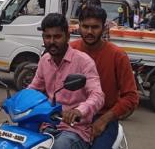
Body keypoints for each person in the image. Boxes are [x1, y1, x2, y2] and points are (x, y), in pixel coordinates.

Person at [29, 13, 104, 149]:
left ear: (67, 37)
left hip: (74, 130)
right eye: (48, 37)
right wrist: (15, 101)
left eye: (57, 36)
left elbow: (97, 96)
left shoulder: (84, 62)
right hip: (47, 125)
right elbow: (33, 89)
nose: (52, 41)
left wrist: (78, 111)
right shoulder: (44, 61)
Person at [71, 6, 139, 149]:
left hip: (103, 117)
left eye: (95, 27)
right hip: (70, 115)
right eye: (85, 26)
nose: (89, 32)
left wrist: (104, 120)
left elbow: (131, 97)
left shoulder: (117, 56)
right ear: (79, 26)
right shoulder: (70, 50)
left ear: (104, 27)